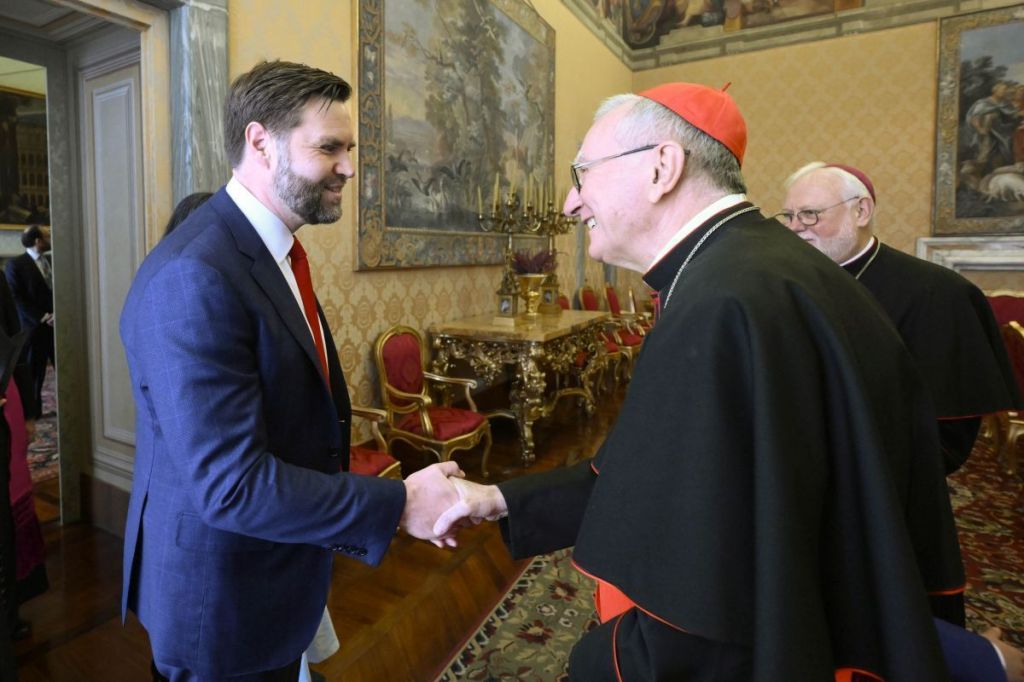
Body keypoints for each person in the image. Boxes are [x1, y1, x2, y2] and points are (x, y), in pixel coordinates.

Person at [433, 82, 964, 680]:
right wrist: (495, 498)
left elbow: (702, 597)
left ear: (662, 167)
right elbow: (656, 474)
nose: (571, 203)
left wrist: (599, 664)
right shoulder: (755, 268)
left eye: (582, 174)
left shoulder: (720, 303)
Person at [120, 60, 462, 681]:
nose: (349, 168)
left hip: (271, 574)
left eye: (350, 149)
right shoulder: (195, 274)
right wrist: (399, 503)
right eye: (329, 148)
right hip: (220, 602)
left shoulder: (264, 251)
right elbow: (231, 486)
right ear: (260, 142)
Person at [780, 163, 1018, 478]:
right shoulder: (787, 282)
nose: (796, 227)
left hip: (881, 476)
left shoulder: (937, 293)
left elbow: (944, 440)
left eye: (810, 214)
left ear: (861, 211)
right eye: (789, 216)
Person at [4, 225, 53, 422]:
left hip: (58, 326)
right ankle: (33, 413)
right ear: (37, 241)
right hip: (35, 328)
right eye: (47, 235)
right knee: (35, 374)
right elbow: (17, 298)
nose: (50, 238)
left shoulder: (52, 260)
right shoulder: (15, 265)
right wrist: (43, 317)